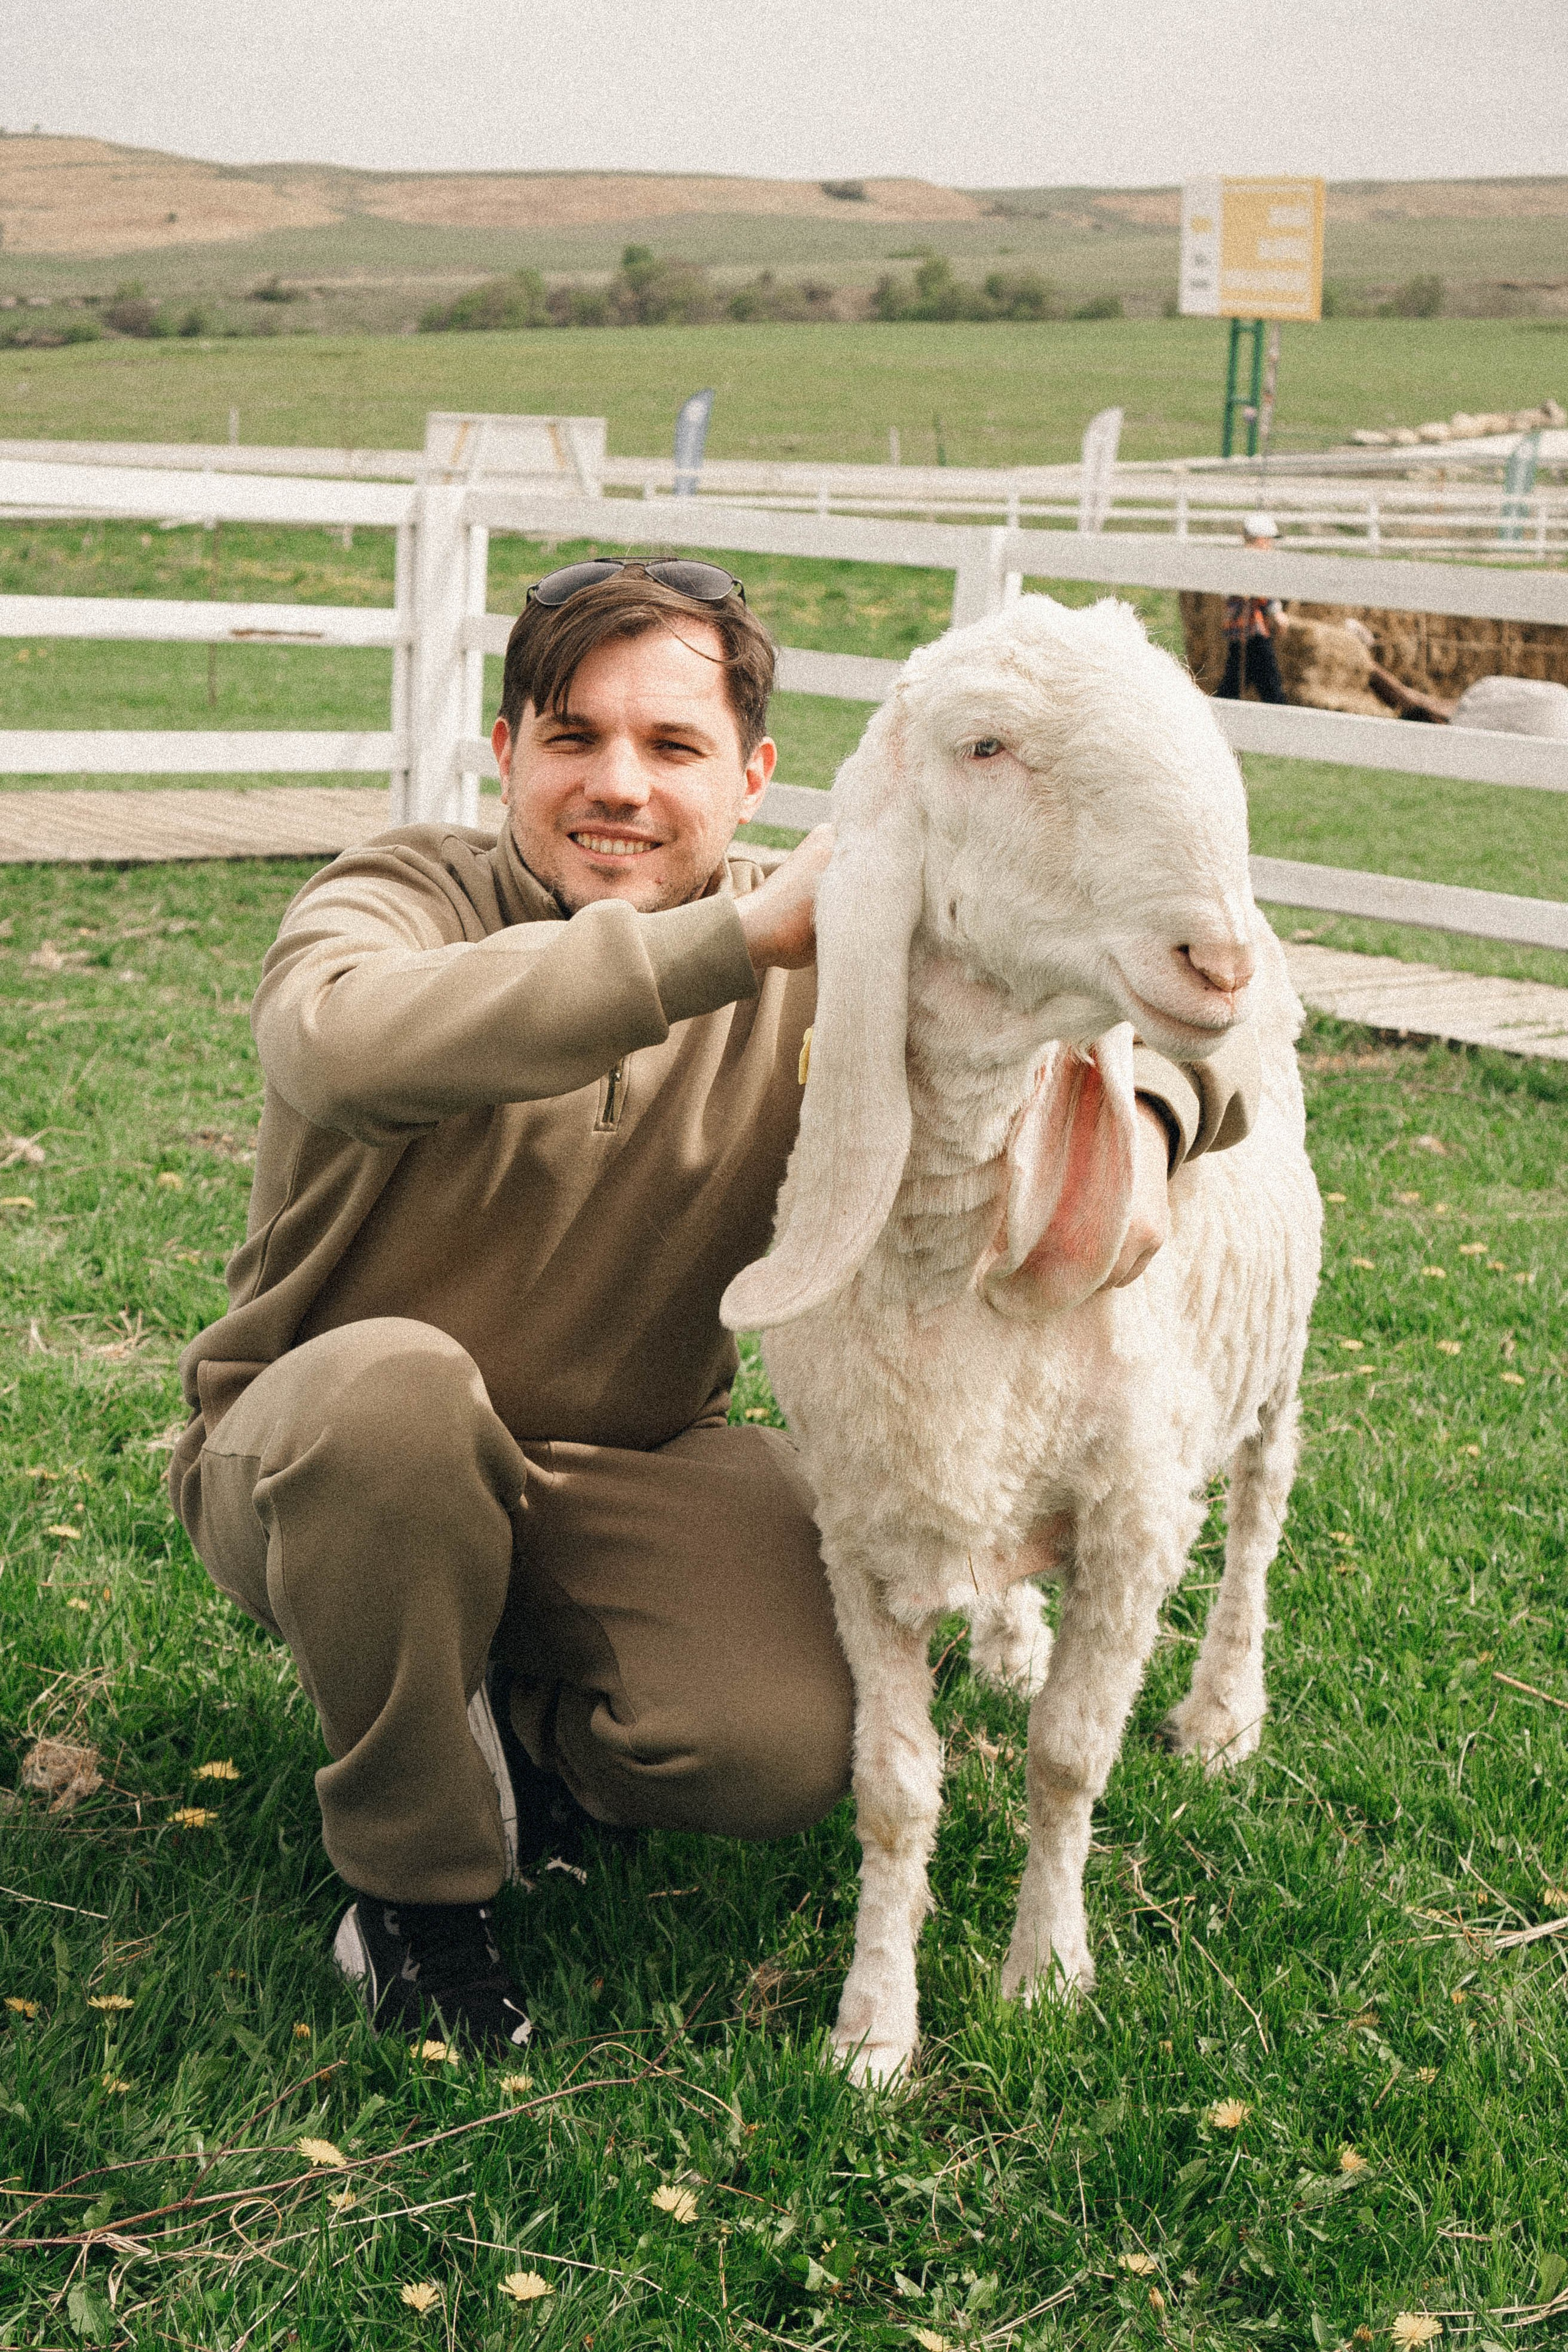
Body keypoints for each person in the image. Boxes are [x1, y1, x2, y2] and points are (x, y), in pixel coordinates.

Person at [169, 559, 1261, 2052]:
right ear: (505, 754)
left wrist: (1148, 1102)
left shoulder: (834, 948)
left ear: (751, 777)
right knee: (397, 1403)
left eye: (672, 747)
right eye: (574, 737)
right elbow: (333, 1044)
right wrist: (725, 946)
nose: (616, 783)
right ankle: (414, 1889)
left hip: (623, 1462)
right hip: (323, 1456)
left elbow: (1174, 1003)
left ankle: (515, 1720)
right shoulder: (399, 894)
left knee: (781, 1741)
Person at [1217, 513, 1289, 704]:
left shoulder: (1241, 562)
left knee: (1234, 682)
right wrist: (1276, 612)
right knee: (1270, 685)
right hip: (1251, 630)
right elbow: (1264, 593)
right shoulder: (1250, 562)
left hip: (1242, 631)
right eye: (1270, 541)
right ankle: (1280, 718)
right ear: (1261, 539)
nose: (1271, 547)